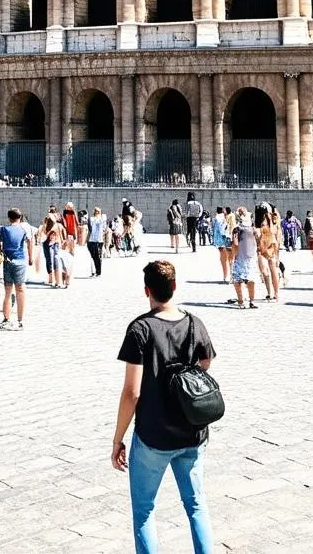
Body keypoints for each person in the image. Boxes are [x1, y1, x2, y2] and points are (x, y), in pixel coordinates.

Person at [113, 260, 215, 554]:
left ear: (147, 291)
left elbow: (132, 392)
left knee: (144, 511)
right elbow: (206, 363)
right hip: (192, 432)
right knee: (196, 505)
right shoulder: (195, 323)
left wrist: (118, 439)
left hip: (153, 435)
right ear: (174, 286)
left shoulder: (140, 329)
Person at [0, 208, 33, 330]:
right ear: (20, 217)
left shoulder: (3, 229)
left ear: (9, 218)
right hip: (20, 261)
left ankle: (6, 318)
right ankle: (20, 320)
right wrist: (31, 257)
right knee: (20, 289)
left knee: (8, 292)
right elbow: (30, 242)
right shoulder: (24, 229)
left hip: (7, 261)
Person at [230, 209, 260, 310]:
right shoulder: (237, 229)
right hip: (241, 257)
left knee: (250, 280)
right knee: (239, 281)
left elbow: (259, 242)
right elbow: (234, 244)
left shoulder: (253, 229)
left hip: (249, 257)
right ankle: (241, 301)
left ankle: (250, 301)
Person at [255, 205, 280, 302]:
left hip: (270, 245)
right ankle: (270, 292)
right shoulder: (261, 220)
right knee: (264, 270)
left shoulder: (271, 218)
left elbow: (276, 232)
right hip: (263, 245)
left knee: (271, 269)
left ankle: (275, 293)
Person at [211, 207, 232, 283]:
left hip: (220, 241)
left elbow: (219, 229)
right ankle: (228, 276)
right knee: (228, 259)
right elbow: (222, 229)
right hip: (225, 240)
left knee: (224, 259)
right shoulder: (222, 217)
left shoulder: (217, 217)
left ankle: (226, 276)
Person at [87, 206, 107, 277]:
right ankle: (93, 272)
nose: (97, 212)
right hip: (91, 240)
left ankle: (98, 272)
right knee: (93, 257)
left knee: (98, 257)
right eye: (96, 211)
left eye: (98, 211)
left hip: (99, 241)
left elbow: (104, 229)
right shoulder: (91, 219)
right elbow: (90, 229)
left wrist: (102, 220)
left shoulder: (103, 219)